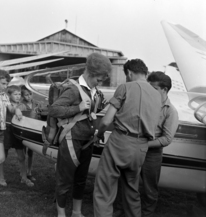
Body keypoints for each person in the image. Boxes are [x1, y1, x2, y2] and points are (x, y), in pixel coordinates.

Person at [93, 59, 162, 217]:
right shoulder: (157, 94)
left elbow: (106, 120)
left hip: (121, 142)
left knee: (104, 189)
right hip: (141, 147)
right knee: (132, 190)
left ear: (129, 73)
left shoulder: (125, 87)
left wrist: (99, 135)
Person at [48, 52, 112, 217]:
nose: (100, 83)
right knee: (64, 179)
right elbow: (54, 109)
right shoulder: (73, 89)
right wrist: (78, 108)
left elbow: (93, 114)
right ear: (90, 73)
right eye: (99, 79)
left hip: (87, 141)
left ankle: (76, 212)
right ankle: (61, 214)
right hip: (71, 140)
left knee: (81, 179)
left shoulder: (94, 90)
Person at [141, 71, 179, 217]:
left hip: (152, 154)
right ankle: (123, 211)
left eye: (154, 88)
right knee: (127, 182)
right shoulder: (144, 103)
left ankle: (147, 214)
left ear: (164, 89)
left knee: (149, 188)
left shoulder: (171, 112)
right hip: (136, 148)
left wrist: (144, 145)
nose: (150, 91)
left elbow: (167, 139)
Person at [0, 85, 34, 187]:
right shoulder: (6, 104)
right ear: (9, 95)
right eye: (15, 94)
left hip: (18, 132)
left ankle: (24, 177)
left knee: (21, 156)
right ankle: (1, 178)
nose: (18, 96)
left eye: (19, 94)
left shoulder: (22, 105)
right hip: (7, 131)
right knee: (2, 156)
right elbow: (10, 109)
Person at [20, 85, 41, 181]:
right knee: (23, 153)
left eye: (30, 94)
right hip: (24, 131)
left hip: (33, 130)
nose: (29, 96)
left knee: (31, 152)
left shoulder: (35, 103)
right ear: (23, 96)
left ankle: (29, 172)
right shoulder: (21, 105)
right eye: (26, 95)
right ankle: (23, 173)